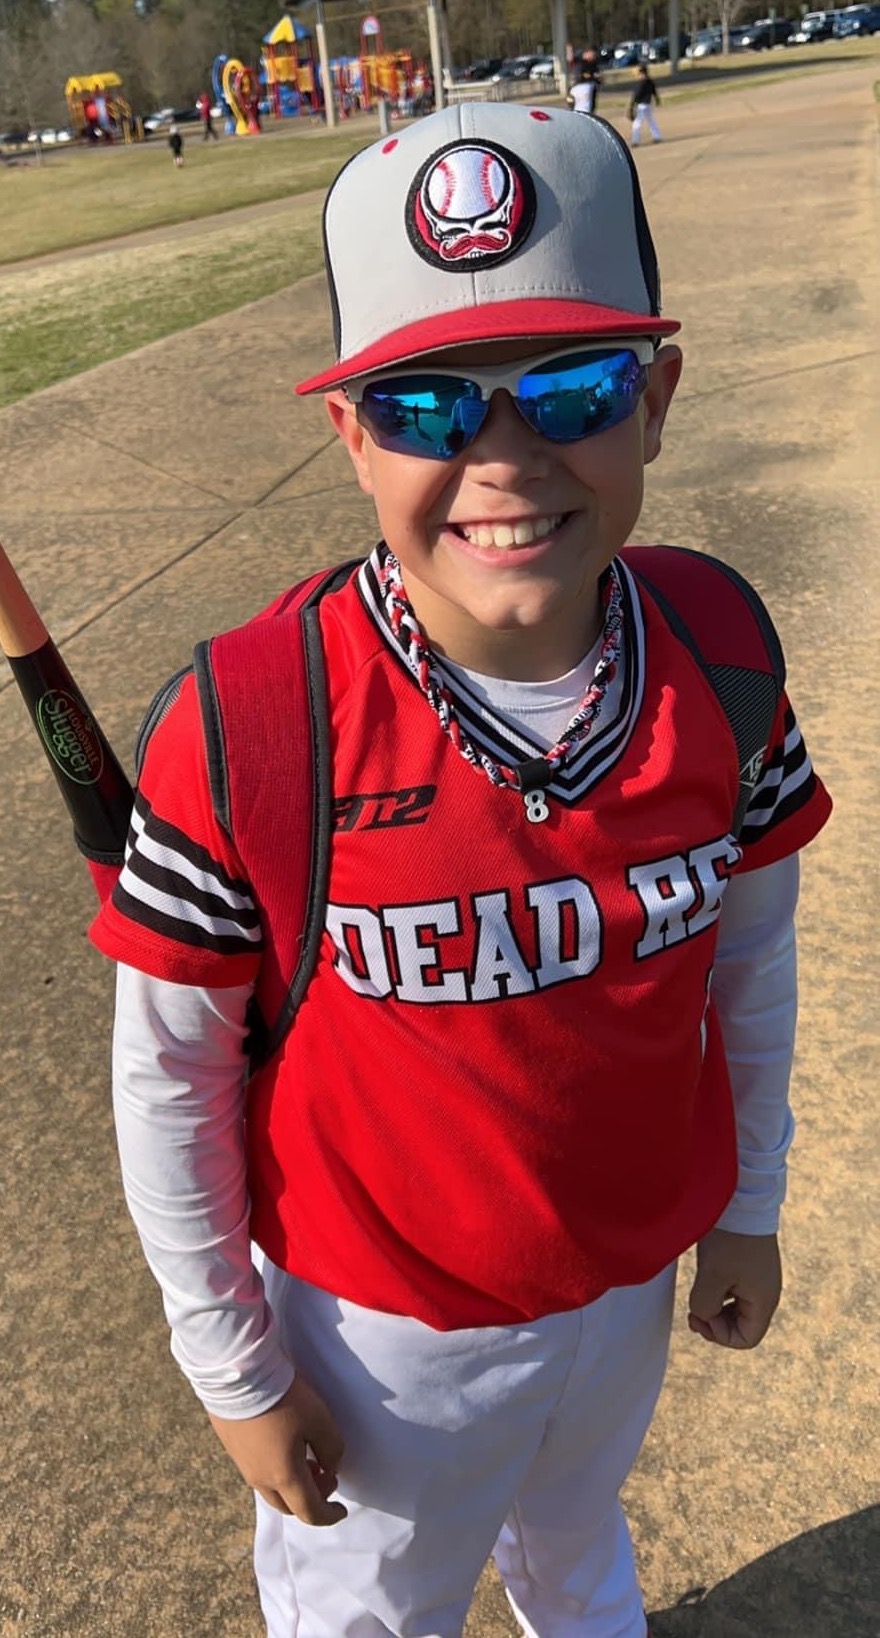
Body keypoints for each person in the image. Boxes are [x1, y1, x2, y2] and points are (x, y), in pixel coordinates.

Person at [91, 103, 831, 1638]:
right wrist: (234, 1367)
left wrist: (747, 1201)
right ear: (352, 436)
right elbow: (170, 1077)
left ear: (657, 398)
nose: (503, 457)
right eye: (427, 406)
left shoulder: (720, 660)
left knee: (578, 1544)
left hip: (621, 1289)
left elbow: (752, 960)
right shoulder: (256, 724)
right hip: (375, 1339)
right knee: (372, 1614)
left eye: (571, 389)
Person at [629, 64, 662, 145]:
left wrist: (631, 106)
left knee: (637, 123)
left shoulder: (641, 82)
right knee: (651, 121)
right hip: (648, 104)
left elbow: (636, 95)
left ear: (641, 72)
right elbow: (654, 91)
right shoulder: (650, 81)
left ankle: (635, 141)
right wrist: (657, 100)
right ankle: (657, 137)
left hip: (641, 106)